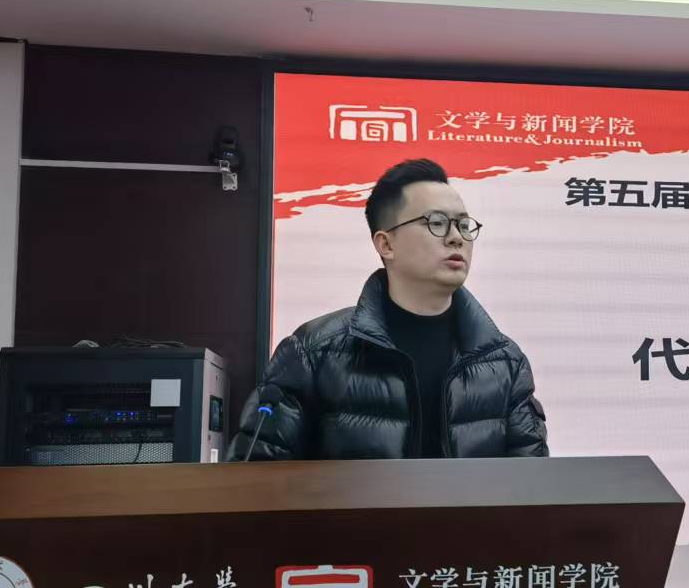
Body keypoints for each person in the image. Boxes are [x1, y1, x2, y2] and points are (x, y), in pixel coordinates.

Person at [229, 158, 548, 460]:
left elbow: (532, 483)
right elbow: (256, 475)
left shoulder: (504, 362)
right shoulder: (313, 352)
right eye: (437, 223)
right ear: (386, 244)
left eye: (463, 225)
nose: (456, 238)